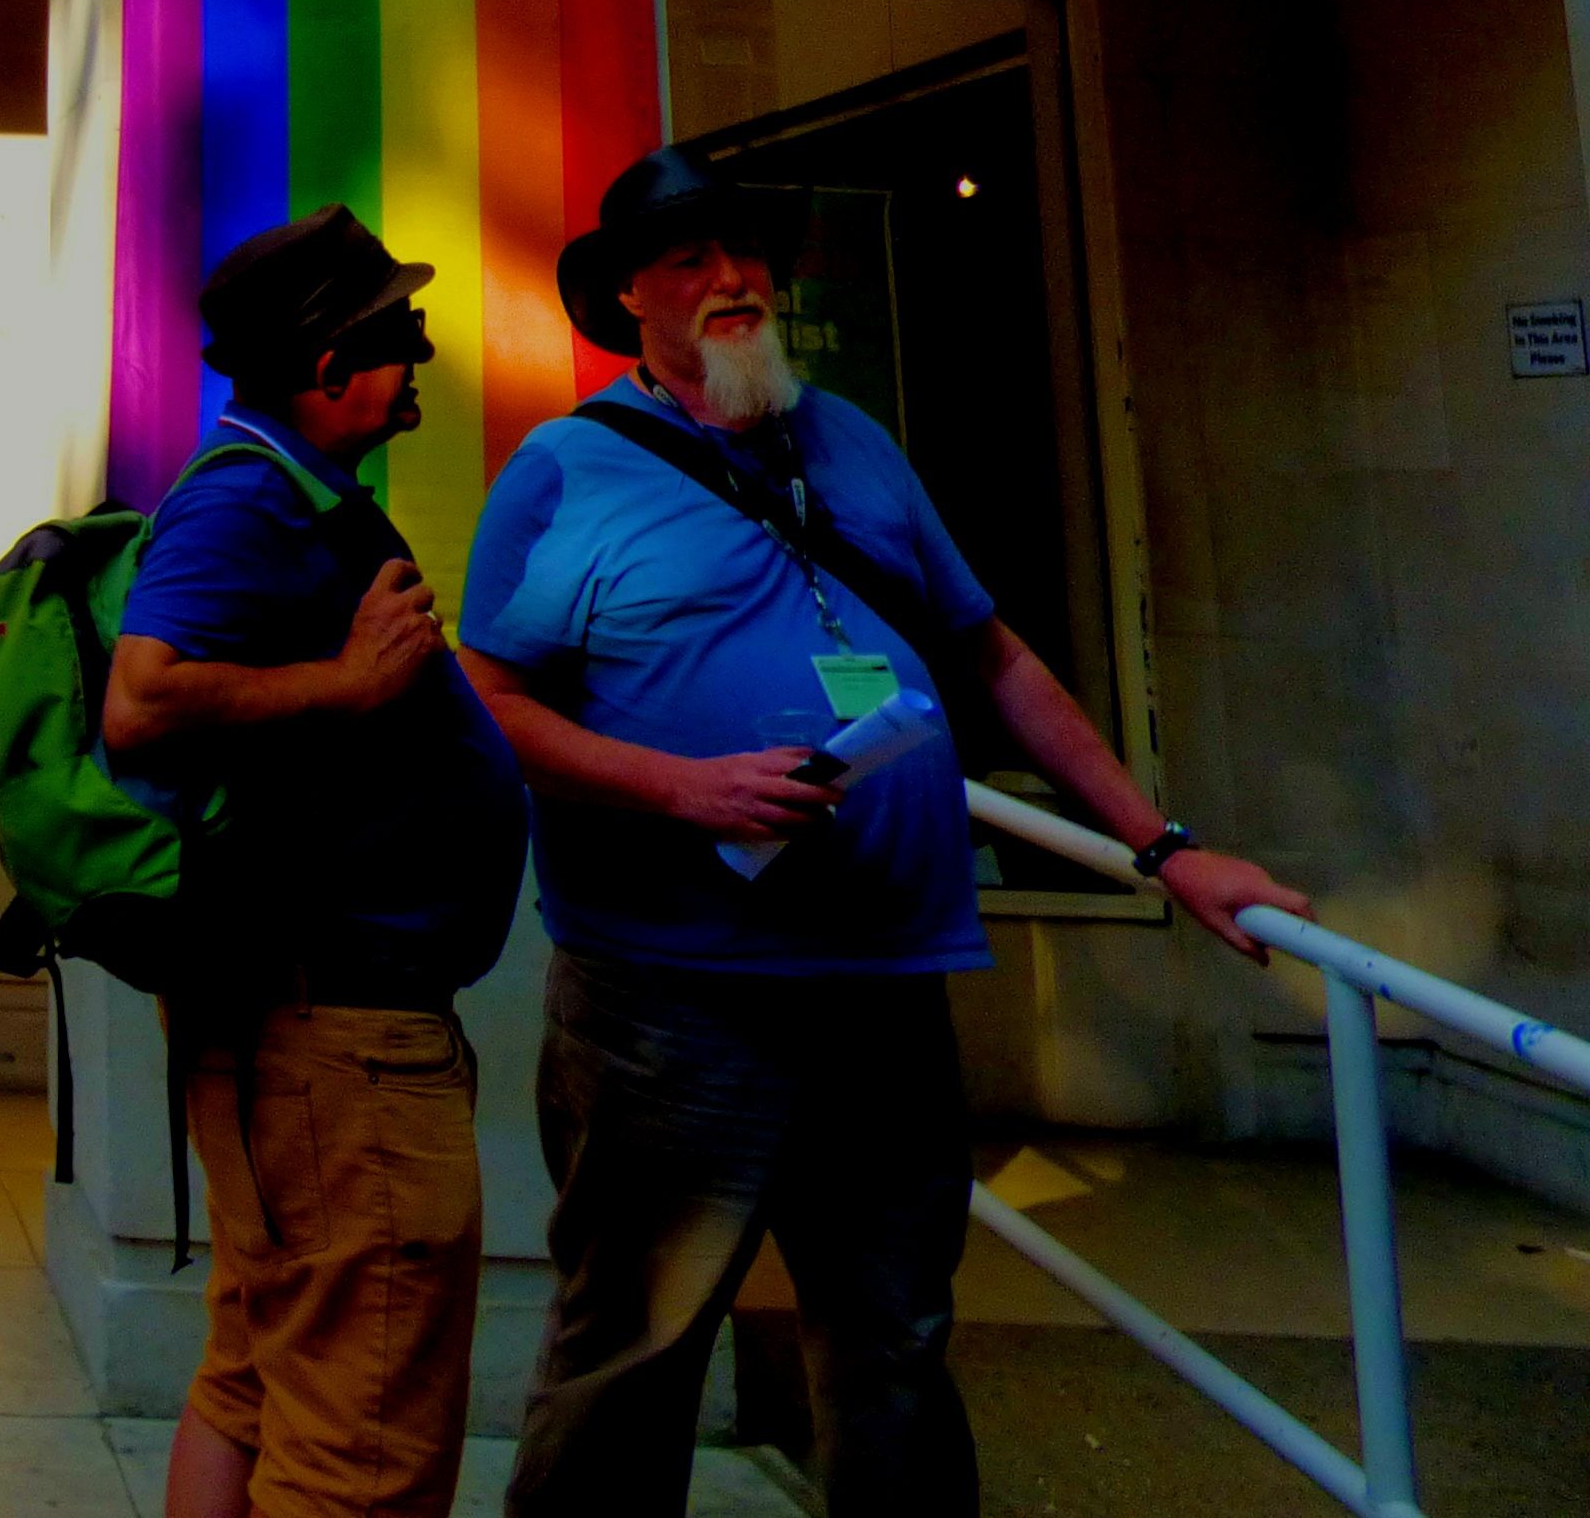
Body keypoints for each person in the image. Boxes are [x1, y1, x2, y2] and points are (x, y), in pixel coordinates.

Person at [457, 145, 1311, 1518]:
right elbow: (488, 707)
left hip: (884, 985)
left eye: (746, 251)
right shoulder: (564, 472)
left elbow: (993, 659)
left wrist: (1165, 849)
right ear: (629, 298)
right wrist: (681, 789)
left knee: (894, 1335)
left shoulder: (852, 440)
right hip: (673, 1001)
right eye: (689, 258)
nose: (731, 277)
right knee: (636, 1347)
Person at [97, 208, 529, 1518]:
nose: (423, 357)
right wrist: (344, 687)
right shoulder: (243, 498)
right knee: (361, 1453)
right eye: (402, 334)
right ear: (332, 364)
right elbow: (141, 700)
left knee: (257, 1367)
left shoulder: (287, 492)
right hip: (337, 1047)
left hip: (303, 1026)